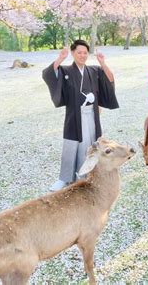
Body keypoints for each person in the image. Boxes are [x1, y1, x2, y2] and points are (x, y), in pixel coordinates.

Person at [42, 40, 119, 191]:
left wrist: (102, 62)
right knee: (71, 145)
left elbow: (110, 79)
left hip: (92, 114)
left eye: (85, 53)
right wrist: (60, 59)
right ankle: (64, 178)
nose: (83, 55)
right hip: (74, 115)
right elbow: (48, 74)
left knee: (91, 144)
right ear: (73, 53)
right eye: (79, 52)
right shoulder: (66, 71)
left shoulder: (94, 71)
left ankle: (88, 175)